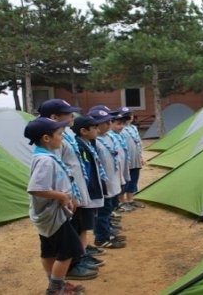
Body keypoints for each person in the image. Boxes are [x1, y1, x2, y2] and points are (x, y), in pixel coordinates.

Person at [37, 98, 102, 279]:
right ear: (54, 117)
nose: (72, 116)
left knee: (79, 227)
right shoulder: (52, 140)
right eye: (68, 113)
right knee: (68, 236)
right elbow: (58, 168)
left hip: (74, 192)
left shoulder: (66, 135)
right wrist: (66, 196)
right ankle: (72, 266)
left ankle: (77, 260)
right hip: (65, 197)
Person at [23, 117, 85, 295]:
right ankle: (56, 289)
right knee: (68, 251)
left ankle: (55, 283)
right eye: (59, 134)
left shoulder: (44, 156)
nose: (62, 138)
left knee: (48, 250)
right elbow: (35, 189)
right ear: (46, 138)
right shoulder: (45, 161)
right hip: (52, 215)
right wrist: (62, 197)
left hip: (48, 215)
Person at [88, 106, 127, 249]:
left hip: (113, 180)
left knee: (109, 209)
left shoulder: (109, 137)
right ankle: (101, 238)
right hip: (103, 183)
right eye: (106, 121)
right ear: (97, 125)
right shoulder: (94, 141)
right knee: (102, 212)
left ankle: (108, 232)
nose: (109, 123)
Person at [116, 107, 146, 209]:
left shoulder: (133, 128)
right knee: (124, 180)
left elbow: (138, 143)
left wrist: (140, 156)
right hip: (125, 160)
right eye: (129, 115)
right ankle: (122, 201)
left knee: (134, 179)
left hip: (135, 158)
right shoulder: (120, 129)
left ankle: (130, 200)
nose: (131, 116)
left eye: (131, 114)